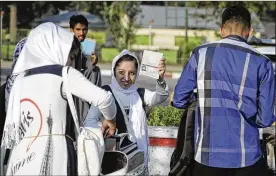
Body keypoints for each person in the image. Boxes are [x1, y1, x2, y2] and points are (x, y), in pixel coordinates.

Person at [1, 22, 117, 175]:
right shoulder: (63, 73)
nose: (70, 61)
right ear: (56, 48)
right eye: (70, 56)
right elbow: (104, 99)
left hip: (20, 159)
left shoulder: (18, 81)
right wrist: (111, 121)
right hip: (56, 156)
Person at [172, 5, 276, 176]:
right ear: (249, 31)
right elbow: (265, 119)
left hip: (206, 157)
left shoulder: (201, 54)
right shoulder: (262, 62)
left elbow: (178, 100)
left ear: (221, 30)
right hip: (247, 158)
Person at [84, 49, 169, 172]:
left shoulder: (140, 94)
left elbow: (161, 97)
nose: (126, 78)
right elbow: (89, 122)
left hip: (137, 161)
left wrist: (160, 79)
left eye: (132, 73)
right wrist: (101, 127)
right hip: (112, 160)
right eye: (121, 72)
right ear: (114, 71)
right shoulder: (105, 94)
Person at [69, 14, 102, 122]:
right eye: (78, 29)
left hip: (77, 80)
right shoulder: (67, 45)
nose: (82, 33)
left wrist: (93, 61)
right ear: (71, 30)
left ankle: (94, 105)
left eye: (84, 30)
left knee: (95, 70)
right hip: (67, 82)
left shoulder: (81, 46)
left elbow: (86, 66)